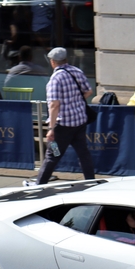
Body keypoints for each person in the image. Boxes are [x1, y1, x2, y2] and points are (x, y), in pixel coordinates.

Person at [24, 47, 95, 186]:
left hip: (62, 127)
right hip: (79, 122)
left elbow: (54, 105)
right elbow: (89, 91)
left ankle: (39, 184)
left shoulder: (55, 79)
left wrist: (51, 128)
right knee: (83, 153)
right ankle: (91, 181)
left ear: (52, 62)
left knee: (53, 154)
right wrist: (74, 102)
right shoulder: (77, 71)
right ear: (65, 59)